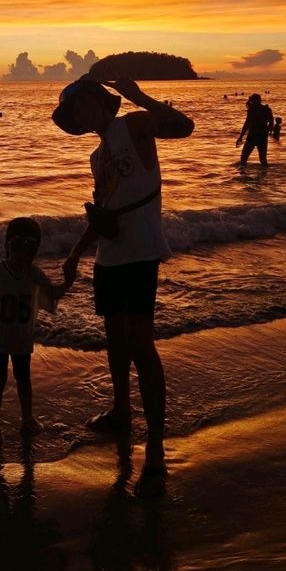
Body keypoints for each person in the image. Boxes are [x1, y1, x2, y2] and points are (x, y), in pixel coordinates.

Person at [52, 76, 194, 495]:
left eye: (84, 104)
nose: (81, 114)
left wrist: (138, 96)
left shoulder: (132, 125)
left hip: (141, 251)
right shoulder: (96, 156)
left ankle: (155, 446)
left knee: (140, 344)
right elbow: (103, 210)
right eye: (74, 111)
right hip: (108, 257)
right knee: (115, 341)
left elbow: (184, 127)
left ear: (100, 100)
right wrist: (76, 252)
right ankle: (120, 411)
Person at [0, 217, 75, 450]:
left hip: (21, 337)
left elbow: (52, 294)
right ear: (8, 246)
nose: (23, 256)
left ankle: (27, 418)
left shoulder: (34, 274)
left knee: (24, 379)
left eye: (30, 249)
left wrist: (68, 282)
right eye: (18, 247)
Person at [235, 93, 273, 166]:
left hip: (253, 136)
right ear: (260, 100)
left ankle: (243, 172)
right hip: (262, 136)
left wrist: (241, 136)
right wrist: (267, 131)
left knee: (243, 159)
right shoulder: (266, 109)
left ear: (253, 101)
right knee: (263, 160)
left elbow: (247, 124)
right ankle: (265, 172)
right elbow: (271, 123)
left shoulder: (252, 109)